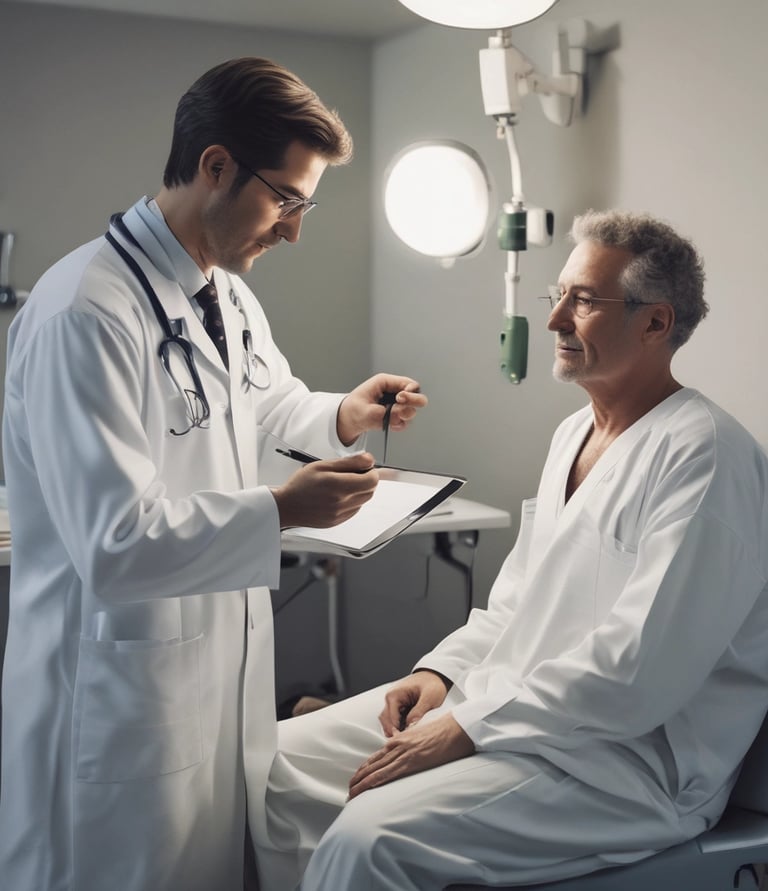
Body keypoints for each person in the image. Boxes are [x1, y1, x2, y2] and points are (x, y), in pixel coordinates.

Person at [0, 57, 427, 891]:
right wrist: (280, 510)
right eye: (286, 200)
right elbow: (115, 542)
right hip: (115, 698)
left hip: (208, 688)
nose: (295, 230)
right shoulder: (84, 311)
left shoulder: (225, 296)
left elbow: (265, 412)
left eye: (306, 204)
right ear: (216, 165)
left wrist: (343, 413)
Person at [256, 209, 768, 891]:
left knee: (368, 838)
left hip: (629, 766)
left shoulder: (706, 458)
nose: (555, 319)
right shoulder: (573, 436)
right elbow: (517, 607)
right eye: (555, 295)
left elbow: (639, 673)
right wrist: (440, 676)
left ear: (656, 323)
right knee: (268, 768)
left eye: (583, 300)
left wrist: (464, 726)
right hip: (516, 713)